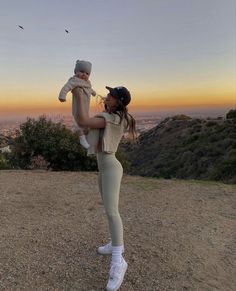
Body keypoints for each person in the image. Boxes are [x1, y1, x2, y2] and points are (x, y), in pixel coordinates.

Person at [73, 85, 136, 291]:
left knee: (112, 212)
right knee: (109, 212)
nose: (107, 96)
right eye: (108, 94)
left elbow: (82, 121)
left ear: (118, 101)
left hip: (111, 168)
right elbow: (80, 120)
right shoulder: (108, 117)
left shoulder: (115, 119)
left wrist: (80, 92)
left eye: (111, 95)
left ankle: (119, 261)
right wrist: (77, 94)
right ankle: (113, 243)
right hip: (104, 169)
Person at [58, 60, 96, 149]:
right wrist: (62, 96)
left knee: (86, 121)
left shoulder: (87, 83)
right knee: (78, 121)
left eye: (87, 73)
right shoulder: (74, 81)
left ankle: (86, 137)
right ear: (75, 71)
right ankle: (81, 138)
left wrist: (94, 93)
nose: (84, 75)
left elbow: (90, 89)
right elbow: (66, 87)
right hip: (78, 106)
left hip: (86, 106)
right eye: (81, 71)